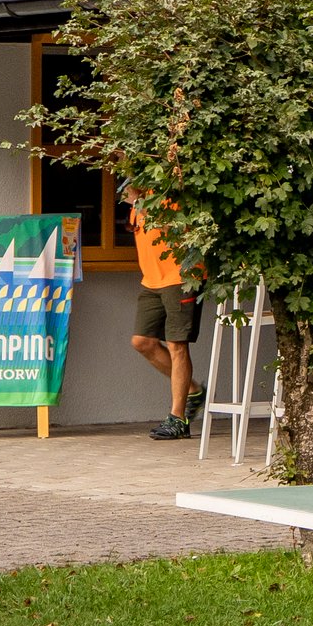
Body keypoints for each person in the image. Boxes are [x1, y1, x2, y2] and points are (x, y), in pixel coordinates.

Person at [126, 186, 199, 440]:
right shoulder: (136, 197)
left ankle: (178, 419)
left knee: (177, 344)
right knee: (142, 341)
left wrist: (146, 206)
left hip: (180, 276)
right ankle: (192, 390)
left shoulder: (171, 192)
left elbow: (182, 235)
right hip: (151, 280)